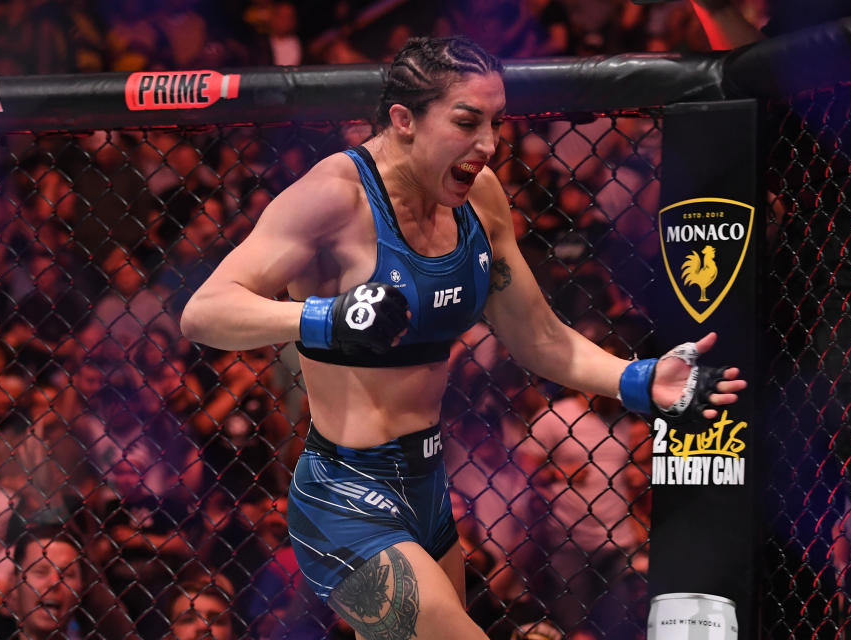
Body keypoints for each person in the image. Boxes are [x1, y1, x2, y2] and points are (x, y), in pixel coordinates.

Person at [181, 35, 746, 639]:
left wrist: (638, 378)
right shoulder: (334, 197)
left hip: (428, 487)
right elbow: (205, 311)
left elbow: (541, 338)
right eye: (467, 122)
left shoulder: (479, 199)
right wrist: (323, 317)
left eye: (495, 123)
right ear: (403, 120)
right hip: (345, 498)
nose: (487, 144)